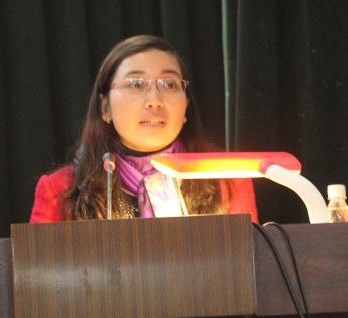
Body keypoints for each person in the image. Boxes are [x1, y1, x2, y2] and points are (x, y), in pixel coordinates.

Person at [30, 35, 257, 222]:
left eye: (169, 84)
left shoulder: (227, 179)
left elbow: (250, 262)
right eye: (136, 84)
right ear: (105, 107)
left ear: (186, 106)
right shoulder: (59, 191)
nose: (154, 101)